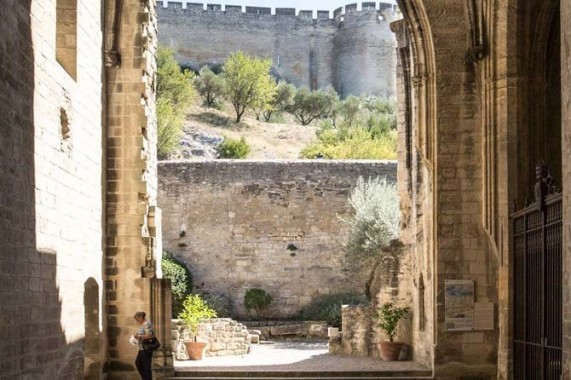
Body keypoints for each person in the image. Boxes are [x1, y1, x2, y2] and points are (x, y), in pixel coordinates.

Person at [133, 311, 154, 380]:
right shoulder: (143, 325)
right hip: (142, 348)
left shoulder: (147, 324)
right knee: (138, 363)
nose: (136, 321)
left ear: (141, 317)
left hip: (146, 349)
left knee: (146, 367)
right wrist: (136, 337)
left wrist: (139, 336)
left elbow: (150, 336)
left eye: (137, 319)